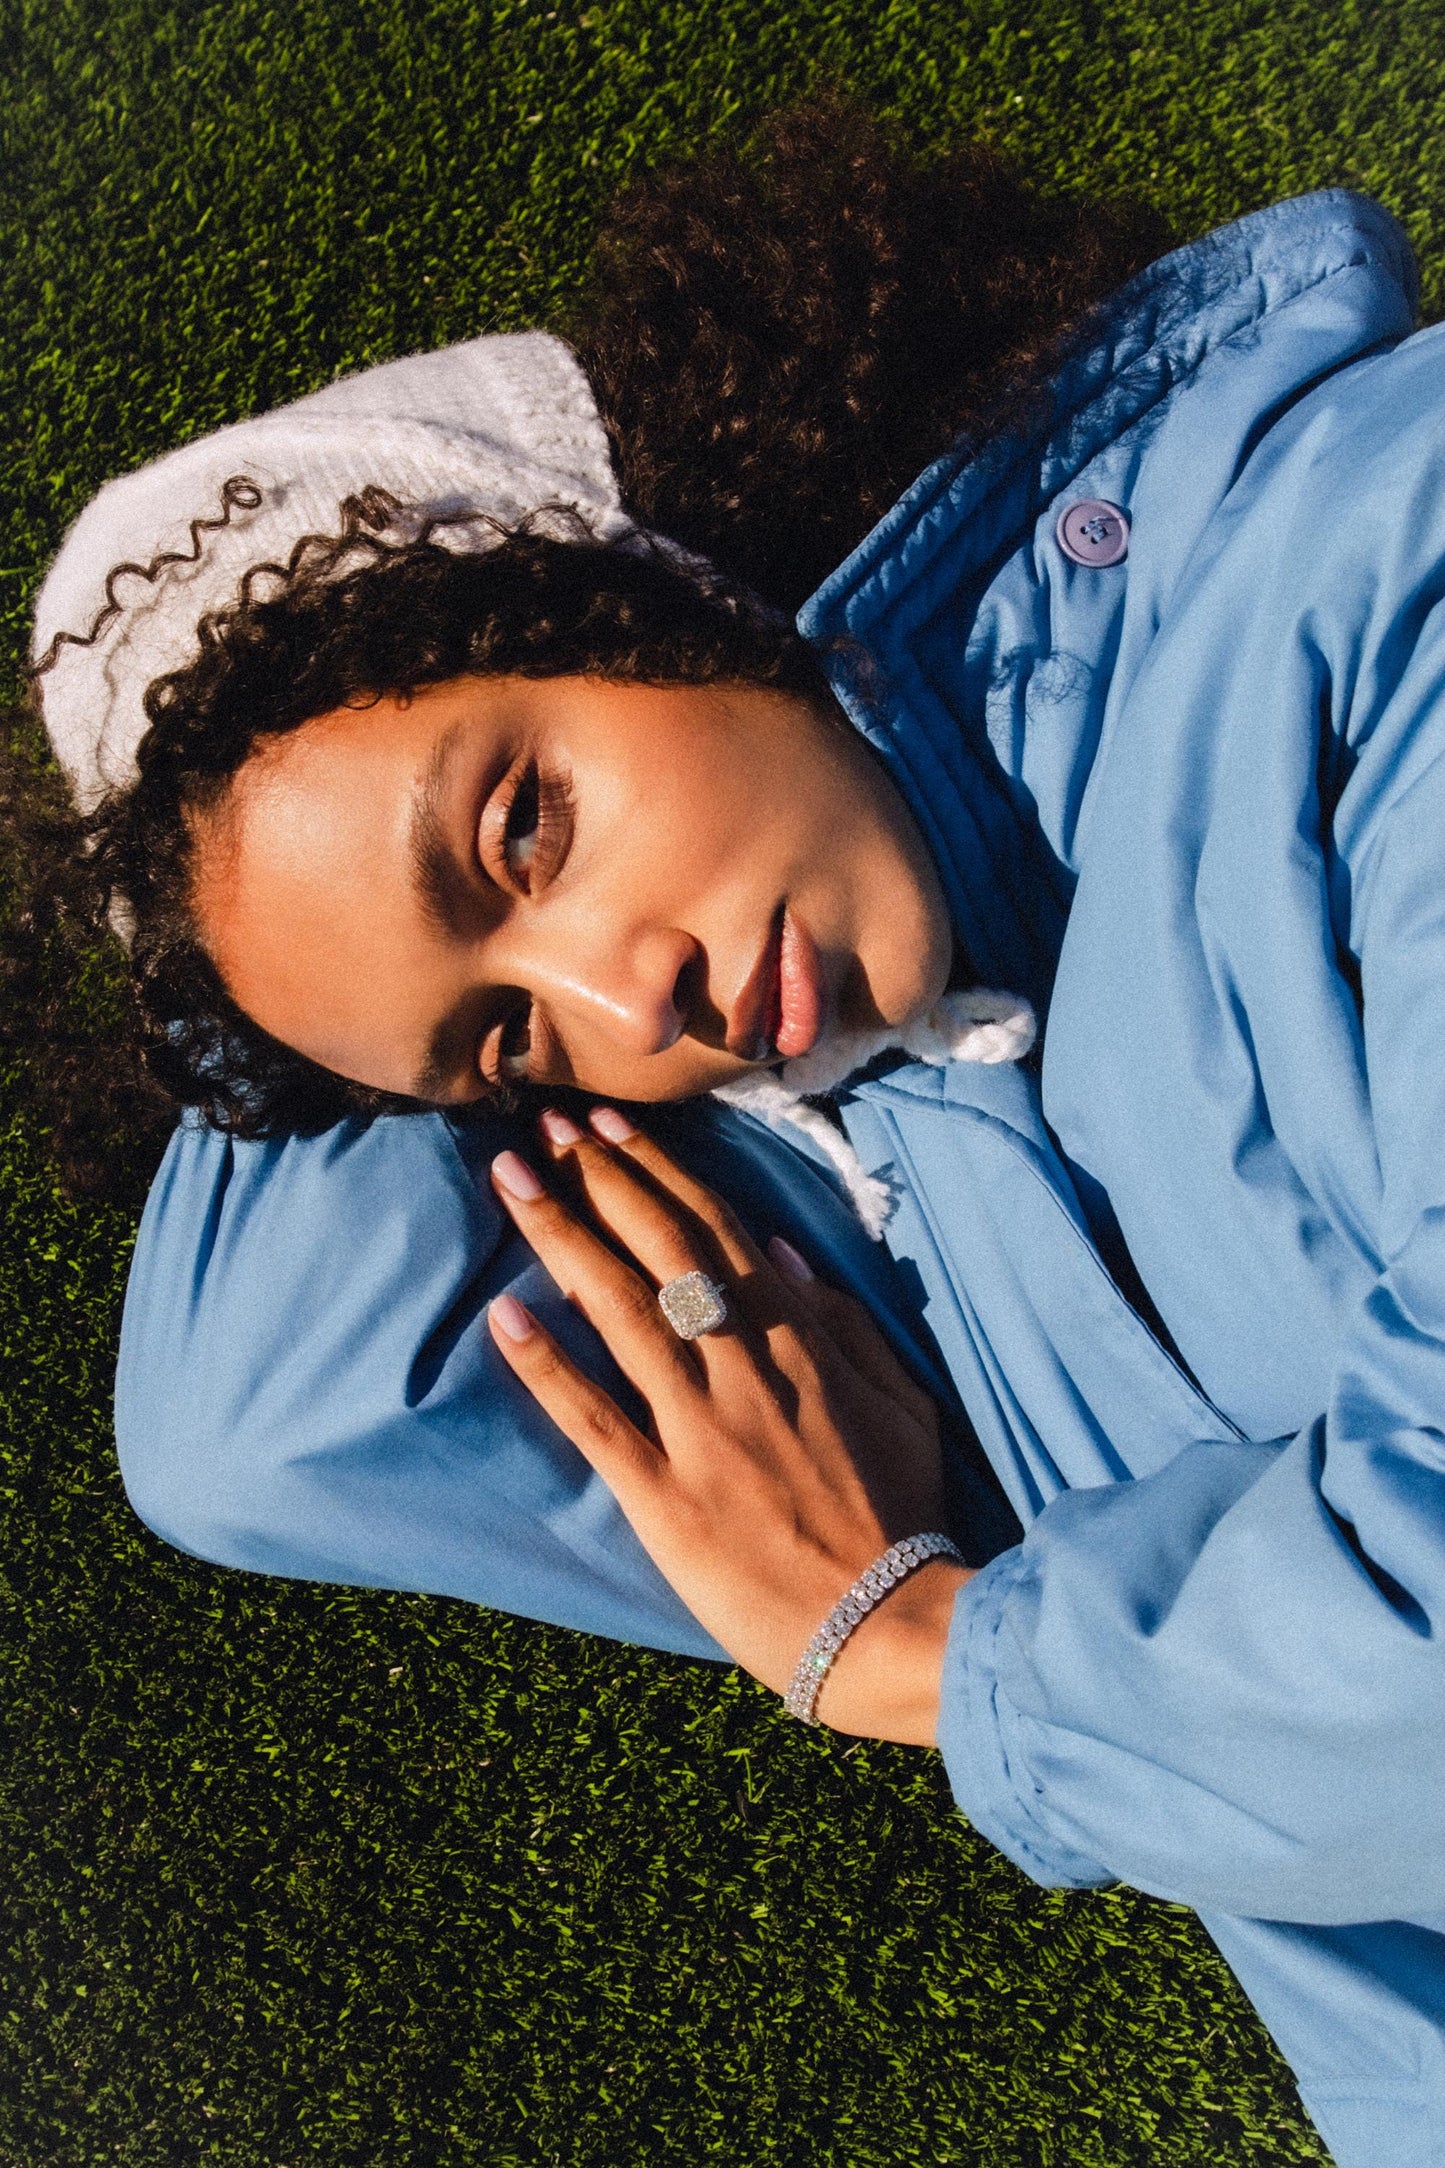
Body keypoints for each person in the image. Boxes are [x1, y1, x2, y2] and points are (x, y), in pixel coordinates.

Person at [14, 103, 1445, 2168]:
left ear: (641, 582)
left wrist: (934, 1655)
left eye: (527, 822)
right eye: (502, 1047)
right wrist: (234, 934)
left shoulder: (1381, 553)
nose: (627, 1007)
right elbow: (260, 1418)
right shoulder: (891, 1163)